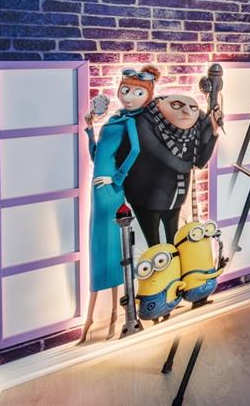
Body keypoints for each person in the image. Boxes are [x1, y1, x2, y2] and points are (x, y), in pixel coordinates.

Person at [79, 66, 160, 344]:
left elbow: (135, 150)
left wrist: (116, 178)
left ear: (147, 96)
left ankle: (114, 314)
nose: (128, 97)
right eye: (125, 90)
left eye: (138, 93)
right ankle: (102, 315)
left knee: (111, 246)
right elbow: (97, 155)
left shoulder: (131, 122)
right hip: (97, 186)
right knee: (98, 245)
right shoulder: (114, 118)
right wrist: (90, 129)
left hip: (110, 189)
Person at [122, 94, 219, 247]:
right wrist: (190, 165)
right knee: (154, 246)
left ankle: (175, 262)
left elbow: (200, 162)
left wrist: (213, 130)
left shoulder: (192, 130)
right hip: (146, 197)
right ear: (159, 104)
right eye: (176, 105)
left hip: (175, 196)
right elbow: (171, 160)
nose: (186, 111)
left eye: (193, 108)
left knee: (174, 241)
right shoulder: (144, 121)